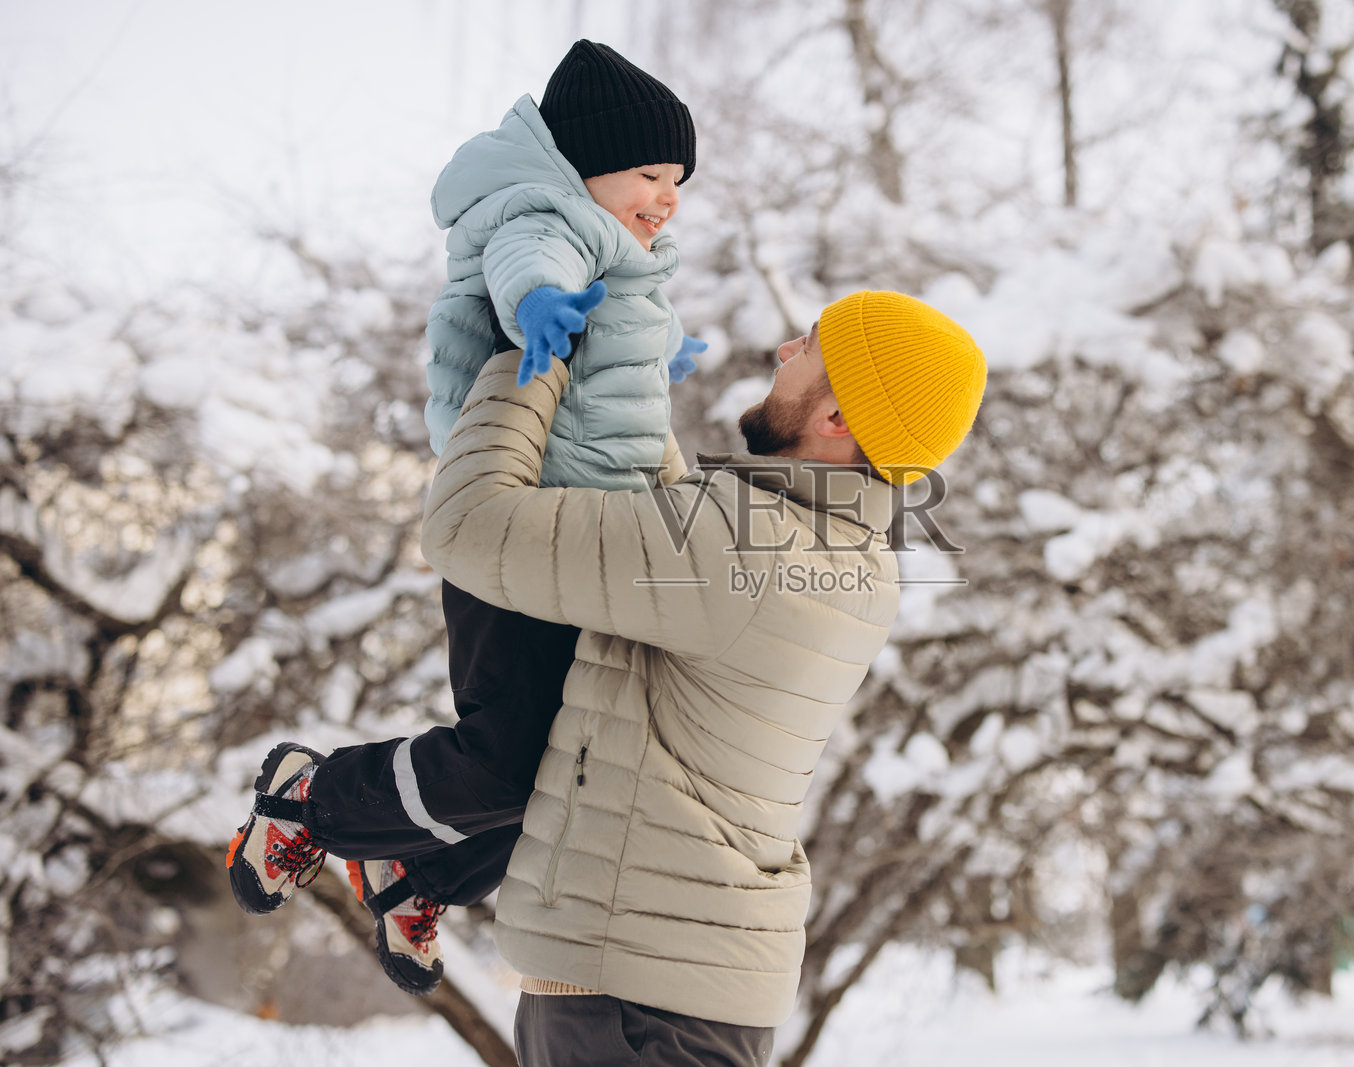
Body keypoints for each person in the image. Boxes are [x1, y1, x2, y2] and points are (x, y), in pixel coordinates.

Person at [225, 39, 703, 997]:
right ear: (585, 163)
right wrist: (541, 307)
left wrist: (662, 356)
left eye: (681, 180)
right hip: (515, 534)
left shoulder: (625, 254)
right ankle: (310, 801)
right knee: (506, 756)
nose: (668, 196)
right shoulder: (544, 217)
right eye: (651, 172)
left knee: (575, 767)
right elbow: (530, 262)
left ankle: (416, 874)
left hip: (581, 548)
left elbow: (616, 346)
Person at [421, 289, 986, 1066]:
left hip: (636, 1000)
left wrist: (531, 353)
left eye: (811, 346)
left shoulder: (746, 551)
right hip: (667, 987)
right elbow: (668, 534)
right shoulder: (842, 551)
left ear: (838, 421)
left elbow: (464, 528)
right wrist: (624, 371)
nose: (785, 350)